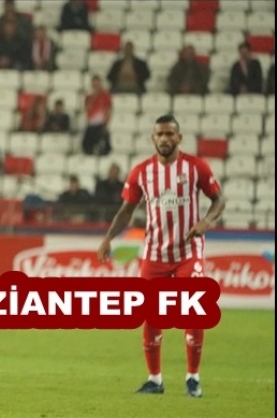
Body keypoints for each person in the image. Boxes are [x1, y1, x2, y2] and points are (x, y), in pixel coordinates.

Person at [97, 114, 227, 398]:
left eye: (170, 134)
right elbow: (126, 211)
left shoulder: (196, 167)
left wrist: (206, 222)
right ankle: (155, 380)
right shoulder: (141, 172)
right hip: (155, 253)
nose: (165, 138)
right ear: (153, 138)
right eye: (160, 134)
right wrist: (108, 238)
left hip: (188, 252)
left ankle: (193, 378)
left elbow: (219, 199)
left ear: (179, 137)